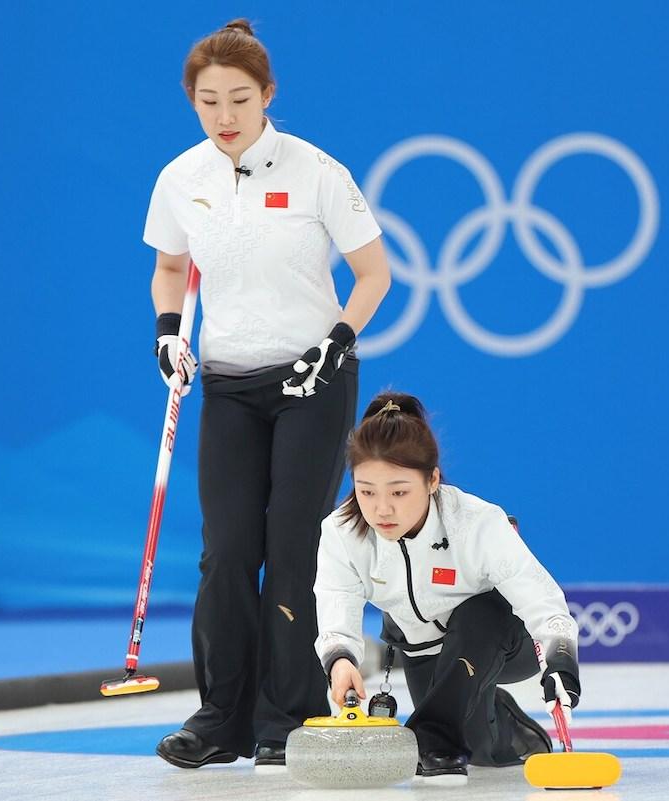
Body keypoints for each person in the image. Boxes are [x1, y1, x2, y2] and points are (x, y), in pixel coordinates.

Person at [143, 19, 391, 769]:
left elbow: (373, 274)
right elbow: (168, 271)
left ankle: (288, 716)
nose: (224, 116)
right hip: (228, 382)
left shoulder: (318, 171)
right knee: (225, 553)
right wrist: (164, 332)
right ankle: (222, 715)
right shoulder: (181, 178)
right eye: (208, 100)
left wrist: (337, 340)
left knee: (293, 548)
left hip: (311, 380)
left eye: (239, 100)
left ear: (268, 97)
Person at [314, 392, 579, 780]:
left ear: (432, 479)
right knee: (477, 747)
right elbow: (337, 602)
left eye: (399, 491)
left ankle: (436, 732)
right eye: (366, 491)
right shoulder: (341, 533)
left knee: (441, 728)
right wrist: (340, 660)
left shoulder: (476, 522)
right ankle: (505, 723)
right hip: (425, 650)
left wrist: (560, 661)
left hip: (507, 641)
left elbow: (542, 600)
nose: (382, 508)